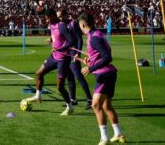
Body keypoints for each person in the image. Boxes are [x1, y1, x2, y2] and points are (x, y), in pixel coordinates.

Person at [78, 12, 126, 145]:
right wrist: (91, 60)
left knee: (95, 105)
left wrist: (90, 68)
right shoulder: (96, 34)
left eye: (79, 25)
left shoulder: (94, 37)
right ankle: (118, 134)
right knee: (107, 105)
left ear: (83, 24)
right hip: (109, 73)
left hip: (104, 74)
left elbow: (107, 57)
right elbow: (101, 53)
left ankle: (104, 138)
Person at [27, 9, 76, 115]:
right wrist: (51, 39)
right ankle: (38, 96)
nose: (47, 20)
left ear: (54, 16)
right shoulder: (52, 25)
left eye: (48, 17)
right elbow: (57, 38)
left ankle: (70, 107)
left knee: (60, 87)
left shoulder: (61, 25)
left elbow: (72, 40)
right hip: (54, 57)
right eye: (46, 18)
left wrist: (61, 49)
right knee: (39, 73)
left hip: (63, 59)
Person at [58, 8, 92, 108]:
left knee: (79, 76)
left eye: (60, 16)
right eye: (58, 17)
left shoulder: (72, 24)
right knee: (70, 78)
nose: (59, 18)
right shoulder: (62, 25)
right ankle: (72, 99)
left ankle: (90, 100)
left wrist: (77, 53)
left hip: (73, 53)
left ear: (65, 15)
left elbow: (79, 39)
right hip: (67, 54)